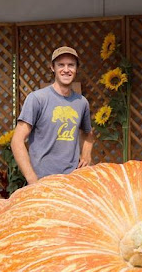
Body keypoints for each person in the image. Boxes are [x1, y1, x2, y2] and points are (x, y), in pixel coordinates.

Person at [11, 46, 93, 184]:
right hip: (43, 181)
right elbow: (17, 141)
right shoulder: (37, 99)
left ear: (76, 69)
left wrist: (86, 154)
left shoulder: (81, 102)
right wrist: (32, 179)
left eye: (71, 65)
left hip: (72, 181)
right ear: (52, 68)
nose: (66, 69)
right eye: (61, 65)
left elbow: (88, 133)